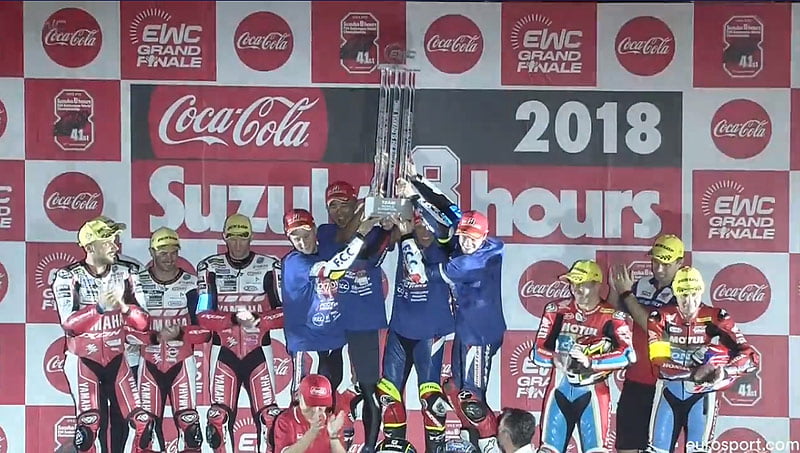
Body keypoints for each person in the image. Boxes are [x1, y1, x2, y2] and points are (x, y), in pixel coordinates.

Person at [396, 170, 505, 453]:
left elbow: (422, 273)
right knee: (454, 388)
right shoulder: (474, 236)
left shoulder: (472, 263)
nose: (466, 243)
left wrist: (408, 232)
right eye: (464, 236)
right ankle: (472, 439)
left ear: (484, 237)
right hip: (466, 330)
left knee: (470, 398)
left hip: (480, 335)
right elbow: (445, 205)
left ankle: (490, 444)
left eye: (472, 239)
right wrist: (417, 181)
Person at [279, 207, 384, 446]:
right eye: (295, 237)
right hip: (307, 346)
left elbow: (351, 243)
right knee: (303, 408)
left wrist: (373, 216)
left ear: (315, 230)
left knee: (334, 407)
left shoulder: (327, 247)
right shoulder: (294, 262)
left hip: (336, 342)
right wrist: (361, 234)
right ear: (288, 238)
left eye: (306, 234)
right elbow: (332, 270)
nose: (302, 241)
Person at [51, 216, 155, 453]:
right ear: (90, 247)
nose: (115, 246)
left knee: (142, 423)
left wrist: (124, 307)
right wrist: (98, 308)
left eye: (114, 241)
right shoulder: (68, 276)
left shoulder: (127, 272)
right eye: (107, 242)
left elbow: (144, 323)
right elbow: (70, 325)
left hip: (118, 359)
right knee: (89, 428)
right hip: (83, 360)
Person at [196, 213, 285, 453]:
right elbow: (202, 315)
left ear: (251, 237)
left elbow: (284, 313)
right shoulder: (209, 267)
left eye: (242, 238)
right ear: (224, 237)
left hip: (259, 351)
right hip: (224, 351)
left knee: (270, 418)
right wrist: (233, 319)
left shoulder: (269, 266)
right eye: (232, 238)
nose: (237, 244)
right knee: (218, 419)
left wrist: (258, 319)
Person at [316, 181, 394, 452]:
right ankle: (322, 442)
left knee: (369, 388)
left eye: (344, 205)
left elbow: (386, 242)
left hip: (364, 320)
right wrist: (366, 210)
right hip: (332, 322)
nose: (338, 212)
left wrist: (388, 223)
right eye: (332, 206)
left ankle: (370, 446)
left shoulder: (373, 231)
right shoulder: (326, 232)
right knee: (327, 387)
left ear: (353, 203)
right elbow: (344, 238)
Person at [647, 266, 759, 453]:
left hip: (703, 395)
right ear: (675, 292)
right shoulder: (661, 317)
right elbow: (658, 364)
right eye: (683, 294)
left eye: (694, 294)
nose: (689, 301)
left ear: (701, 291)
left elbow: (750, 356)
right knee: (657, 450)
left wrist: (724, 372)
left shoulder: (716, 316)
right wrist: (694, 373)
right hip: (669, 391)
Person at [531, 260, 636, 453]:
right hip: (559, 390)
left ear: (597, 285)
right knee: (548, 450)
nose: (575, 289)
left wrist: (592, 362)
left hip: (593, 394)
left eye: (581, 283)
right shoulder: (557, 310)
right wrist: (554, 358)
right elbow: (536, 353)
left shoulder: (612, 316)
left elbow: (628, 355)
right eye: (573, 283)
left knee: (596, 450)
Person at [377, 212, 454, 453]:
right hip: (400, 330)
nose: (425, 232)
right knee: (389, 399)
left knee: (432, 400)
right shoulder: (404, 237)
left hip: (430, 334)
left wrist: (408, 232)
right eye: (420, 226)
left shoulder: (444, 249)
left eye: (430, 227)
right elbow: (386, 239)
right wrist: (389, 224)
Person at [608, 234, 684, 453]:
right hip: (636, 379)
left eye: (666, 264)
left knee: (659, 448)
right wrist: (614, 290)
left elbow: (654, 327)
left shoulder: (685, 291)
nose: (659, 268)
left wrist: (626, 293)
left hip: (667, 382)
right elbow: (614, 317)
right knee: (627, 446)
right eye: (655, 261)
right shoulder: (639, 285)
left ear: (680, 262)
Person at [134, 227, 208, 452]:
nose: (169, 258)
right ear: (152, 252)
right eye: (163, 252)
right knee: (145, 430)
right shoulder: (137, 283)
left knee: (191, 429)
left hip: (182, 363)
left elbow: (206, 329)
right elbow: (126, 328)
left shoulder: (193, 284)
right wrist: (154, 336)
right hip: (148, 364)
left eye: (174, 252)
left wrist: (180, 333)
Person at [272, 374, 349, 453]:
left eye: (321, 405)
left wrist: (333, 436)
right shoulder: (286, 420)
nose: (316, 410)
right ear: (299, 397)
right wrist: (313, 432)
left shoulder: (332, 421)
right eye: (311, 404)